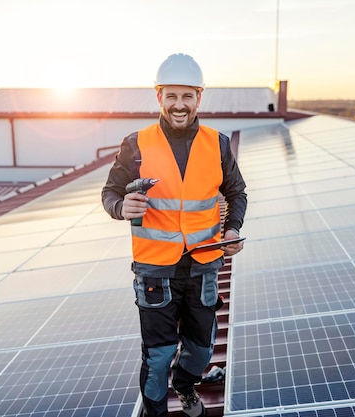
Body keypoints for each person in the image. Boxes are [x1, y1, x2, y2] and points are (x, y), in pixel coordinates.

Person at [101, 53, 247, 417]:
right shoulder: (135, 144)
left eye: (187, 96)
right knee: (159, 354)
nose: (179, 105)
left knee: (200, 350)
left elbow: (237, 193)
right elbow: (110, 193)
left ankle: (185, 385)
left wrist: (232, 228)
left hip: (203, 265)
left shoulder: (218, 143)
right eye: (171, 96)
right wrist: (121, 208)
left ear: (199, 97)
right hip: (154, 271)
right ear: (159, 97)